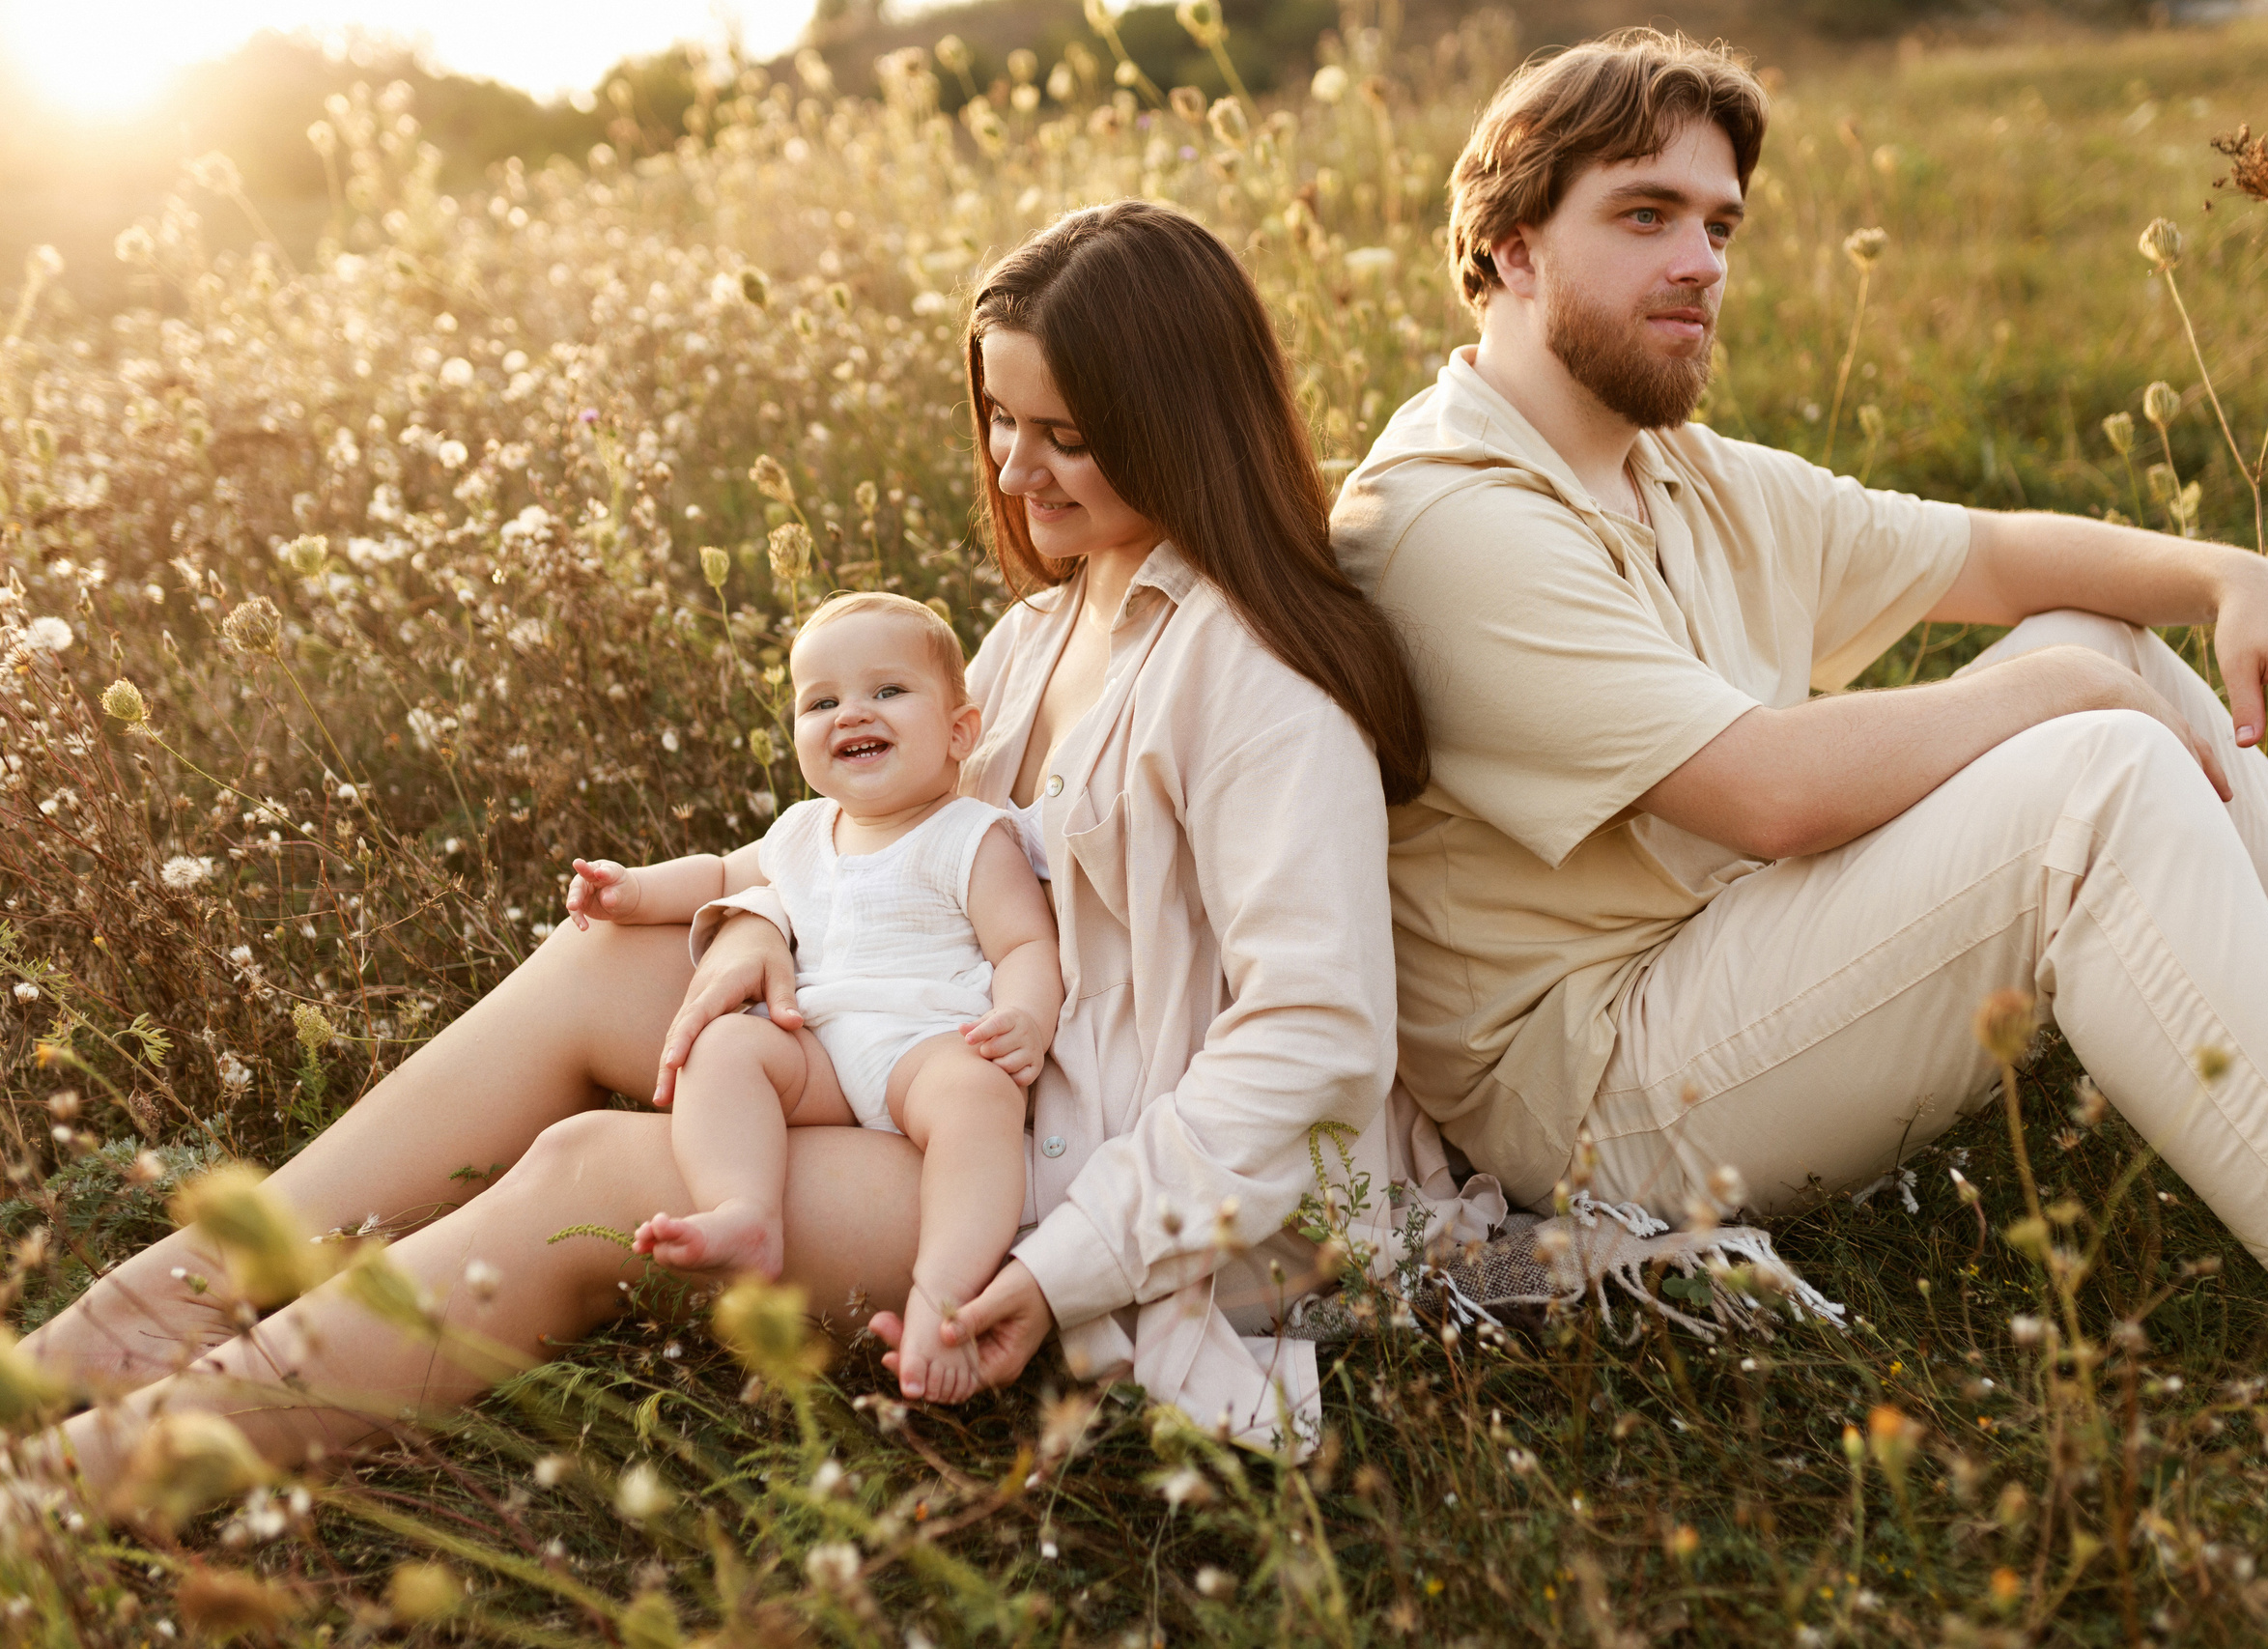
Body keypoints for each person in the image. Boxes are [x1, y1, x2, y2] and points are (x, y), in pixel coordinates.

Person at [25, 198, 1446, 1500]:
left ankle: (98, 1475)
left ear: (1179, 421)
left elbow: (1317, 1040)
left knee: (598, 1169)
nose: (1017, 471)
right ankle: (126, 1324)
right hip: (947, 1046)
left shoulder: (1261, 686)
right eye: (1003, 423)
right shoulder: (1045, 629)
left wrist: (1063, 1266)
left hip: (1100, 1173)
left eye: (1065, 433)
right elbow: (910, 847)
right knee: (607, 954)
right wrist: (765, 921)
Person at [1330, 28, 2268, 1517]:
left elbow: (1990, 552)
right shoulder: (1446, 521)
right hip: (1593, 1080)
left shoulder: (1671, 466)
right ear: (1508, 250)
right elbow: (1765, 791)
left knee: (2096, 645)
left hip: (1727, 953)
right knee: (2089, 777)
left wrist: (2226, 569)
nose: (1702, 261)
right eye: (1643, 215)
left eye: (1720, 224)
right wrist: (2059, 702)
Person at [564, 590, 1063, 1403]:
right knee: (722, 1046)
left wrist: (1028, 1015)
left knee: (978, 1101)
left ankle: (944, 1286)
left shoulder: (971, 833)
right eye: (821, 701)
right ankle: (746, 1209)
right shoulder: (803, 829)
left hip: (927, 1043)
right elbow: (721, 874)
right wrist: (633, 891)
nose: (850, 713)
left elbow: (1026, 944)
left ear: (959, 732)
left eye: (887, 691)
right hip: (825, 1045)